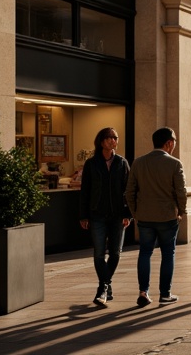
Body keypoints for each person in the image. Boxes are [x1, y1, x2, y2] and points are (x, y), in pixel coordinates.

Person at [125, 127, 187, 306]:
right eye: (174, 141)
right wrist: (181, 211)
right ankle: (165, 294)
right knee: (168, 254)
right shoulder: (175, 164)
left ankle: (143, 291)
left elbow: (130, 192)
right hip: (167, 216)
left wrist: (135, 212)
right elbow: (181, 192)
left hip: (144, 217)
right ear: (169, 143)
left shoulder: (138, 163)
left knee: (145, 253)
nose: (175, 145)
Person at [79, 127, 130, 307]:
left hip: (117, 215)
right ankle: (105, 287)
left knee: (115, 253)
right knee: (99, 253)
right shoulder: (91, 164)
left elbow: (128, 190)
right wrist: (84, 215)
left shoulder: (122, 163)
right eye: (109, 138)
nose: (113, 141)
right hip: (97, 215)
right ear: (101, 141)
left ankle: (104, 286)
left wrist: (128, 214)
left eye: (115, 138)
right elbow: (85, 190)